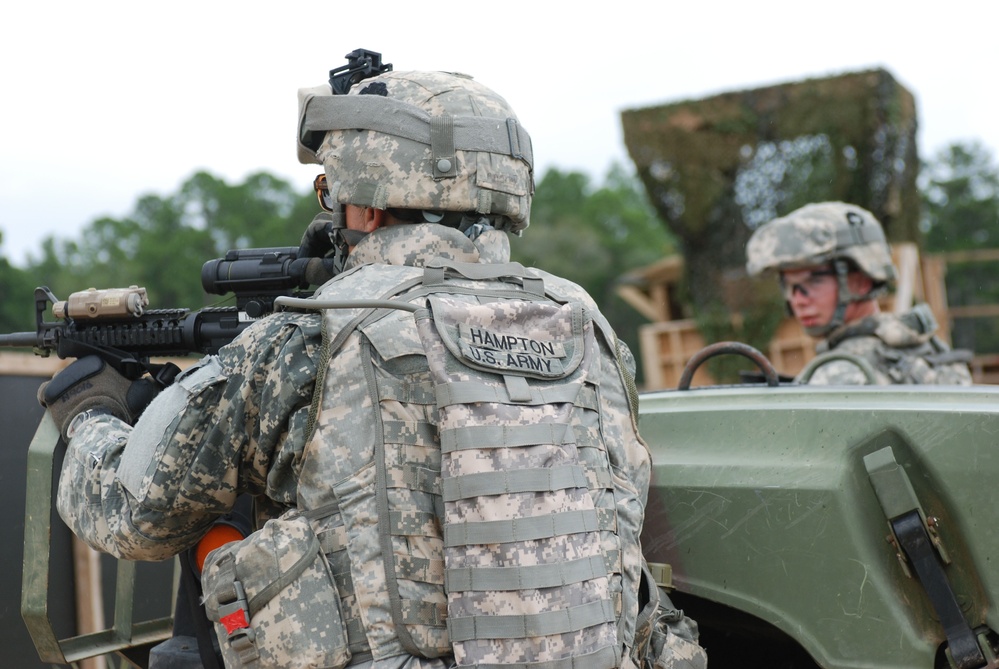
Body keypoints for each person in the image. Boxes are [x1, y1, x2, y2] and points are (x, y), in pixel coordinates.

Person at [38, 66, 702, 669]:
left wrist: (88, 411)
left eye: (332, 188)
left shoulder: (307, 336)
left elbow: (134, 513)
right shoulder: (585, 323)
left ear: (368, 198)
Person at [746, 201, 973, 385]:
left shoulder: (839, 375)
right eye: (789, 285)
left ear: (861, 281)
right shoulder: (922, 346)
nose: (798, 299)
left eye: (813, 281)